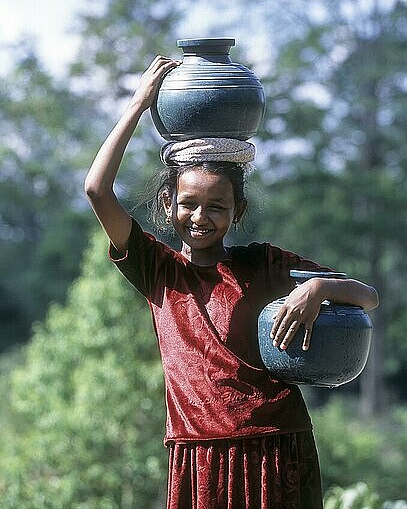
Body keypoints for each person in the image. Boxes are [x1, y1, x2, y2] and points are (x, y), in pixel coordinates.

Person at [84, 55, 379, 509]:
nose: (201, 217)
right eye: (189, 204)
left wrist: (316, 289)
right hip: (197, 451)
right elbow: (97, 190)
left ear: (237, 212)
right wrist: (139, 104)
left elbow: (367, 296)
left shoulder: (263, 263)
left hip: (275, 444)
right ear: (167, 205)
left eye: (217, 207)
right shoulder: (156, 269)